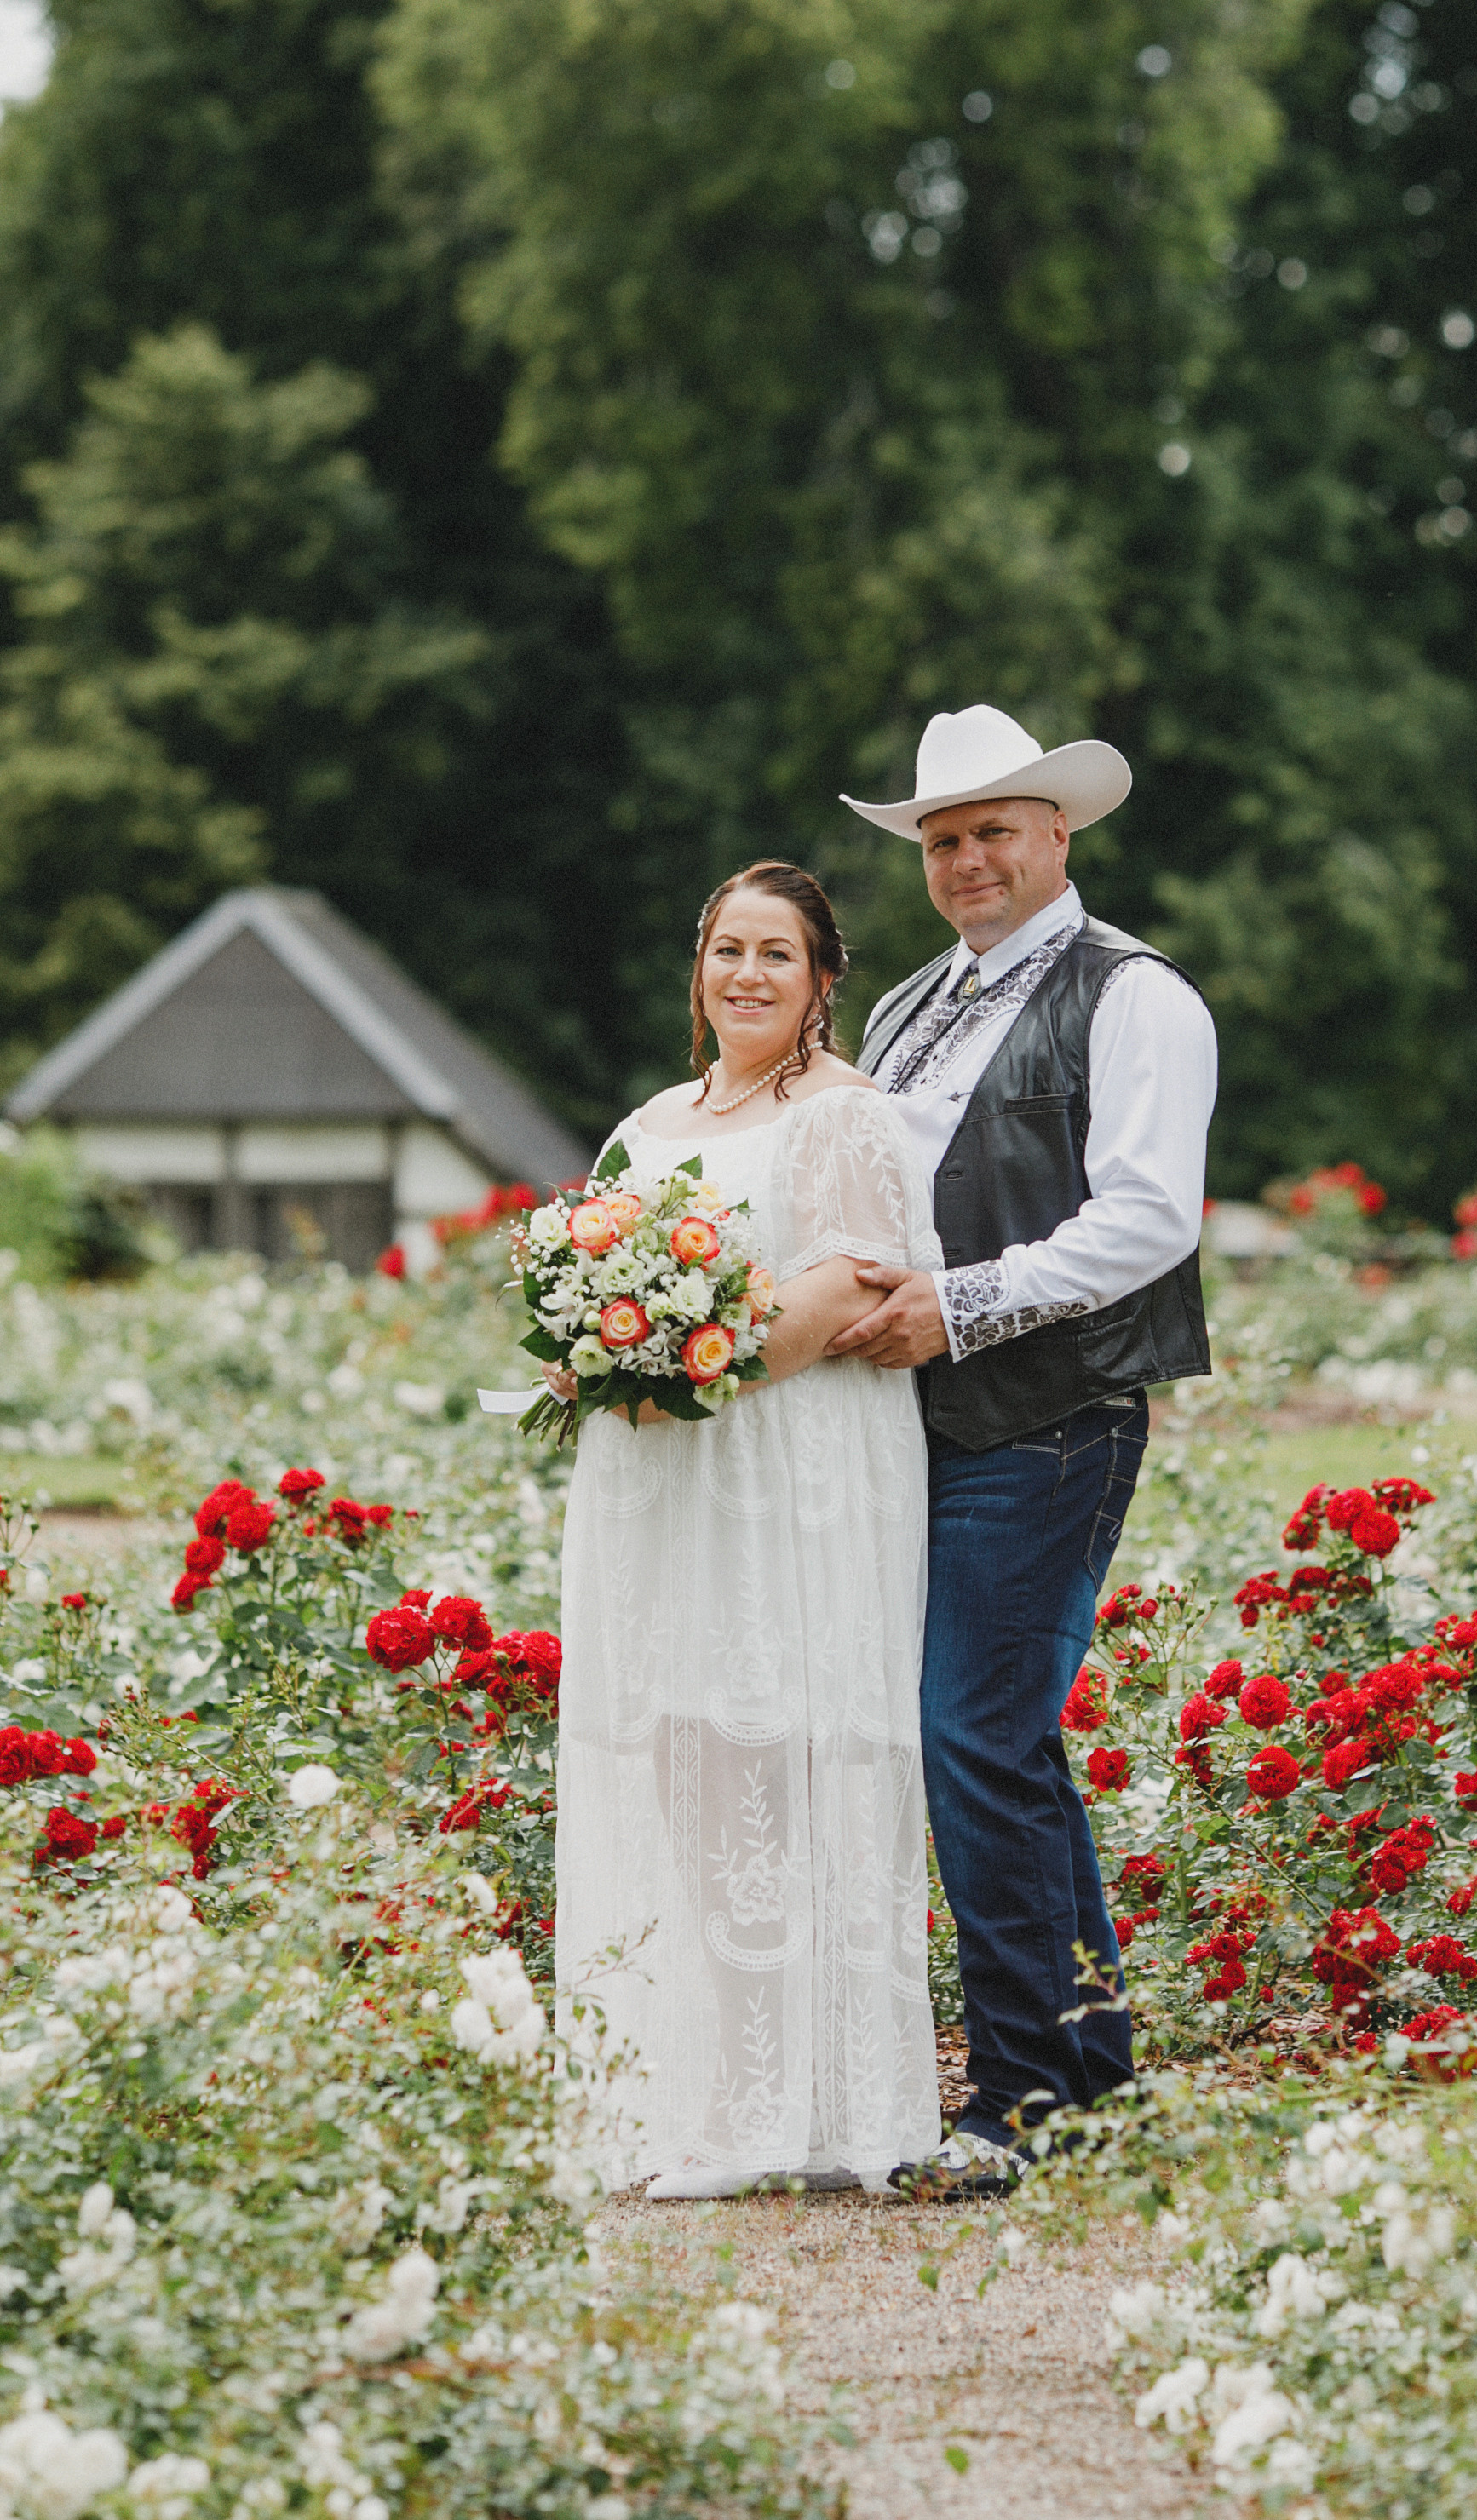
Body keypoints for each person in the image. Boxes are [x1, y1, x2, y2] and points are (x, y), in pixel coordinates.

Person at [833, 704, 1218, 2196]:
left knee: (976, 1737)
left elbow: (1147, 1219)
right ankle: (1085, 2079)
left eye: (994, 830)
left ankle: (1015, 2103)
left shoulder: (1134, 996)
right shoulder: (904, 1008)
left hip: (1054, 1417)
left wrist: (960, 1305)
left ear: (1058, 835)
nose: (967, 860)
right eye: (942, 840)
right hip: (903, 1427)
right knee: (994, 1742)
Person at [550, 861, 943, 2199]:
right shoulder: (647, 1126)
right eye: (728, 949)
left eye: (778, 953)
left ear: (824, 977)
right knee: (680, 1760)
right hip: (662, 1487)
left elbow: (841, 1291)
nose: (748, 975)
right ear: (699, 967)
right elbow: (588, 1272)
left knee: (778, 1756)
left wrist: (670, 1371)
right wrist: (590, 1357)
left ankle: (787, 2113)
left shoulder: (845, 1117)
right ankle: (702, 2085)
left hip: (789, 1478)